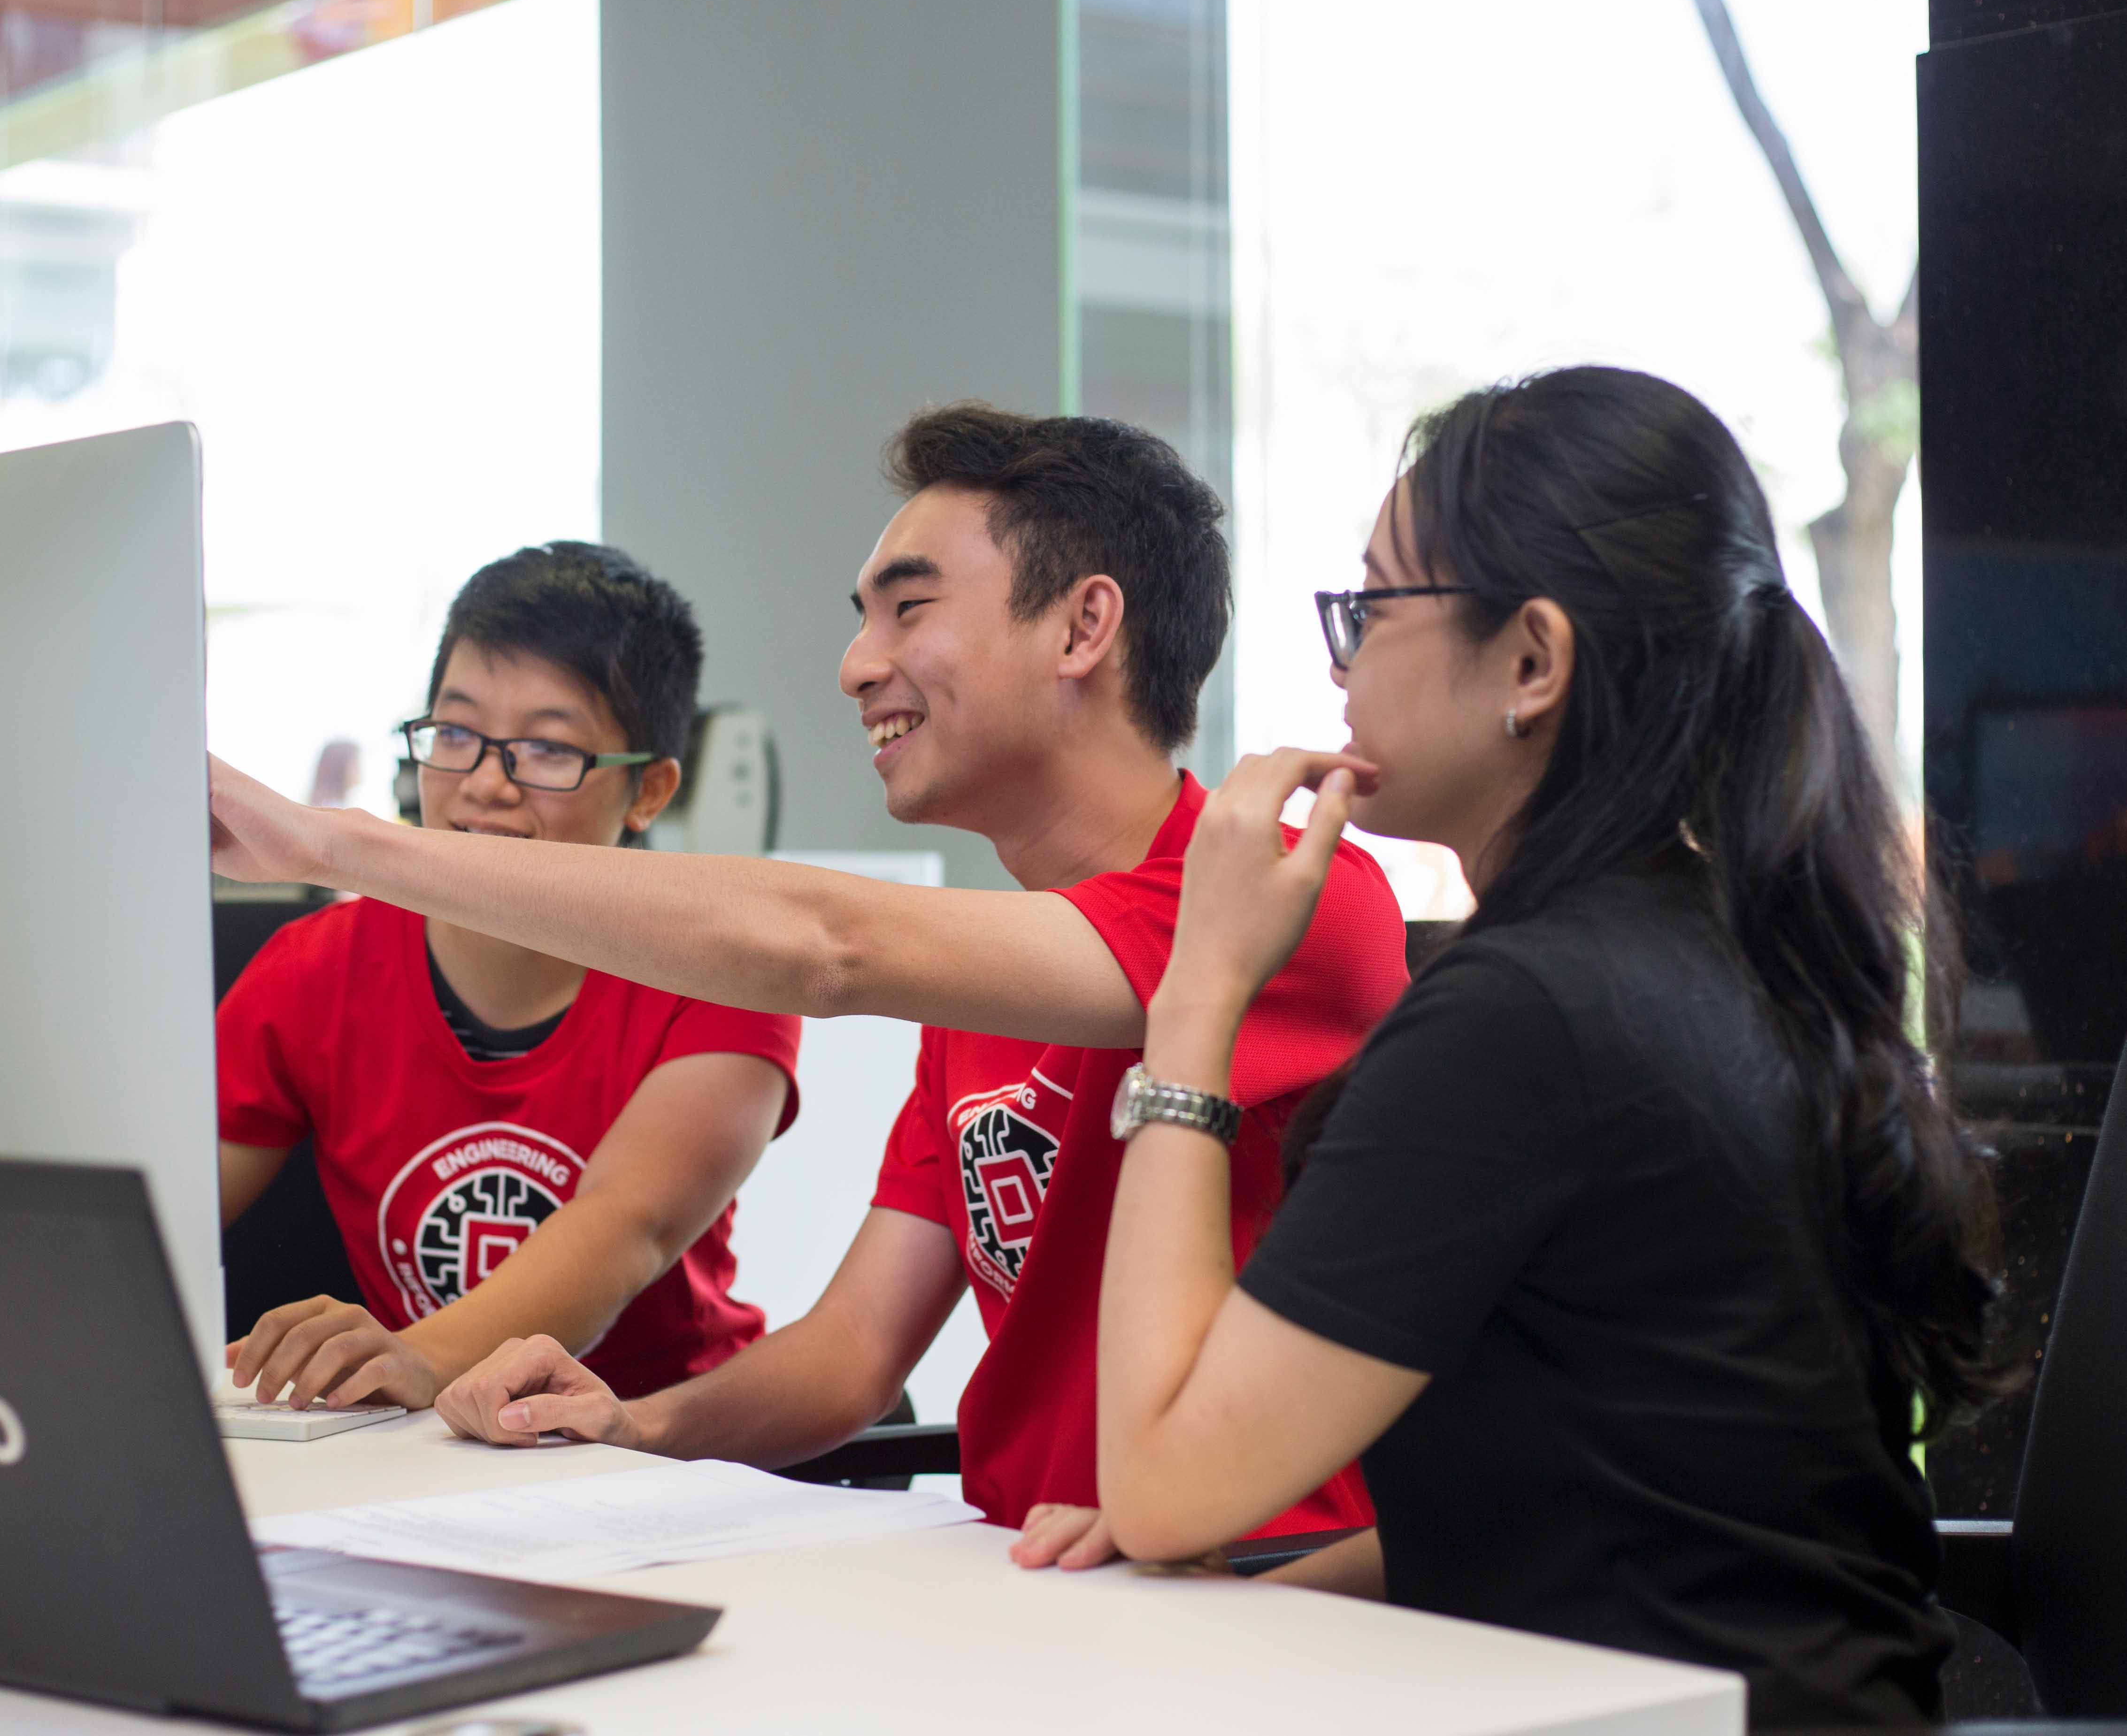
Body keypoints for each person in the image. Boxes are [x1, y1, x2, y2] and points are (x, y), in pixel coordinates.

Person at [207, 405, 1409, 1566]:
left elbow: (824, 945)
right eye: (861, 620)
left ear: (1083, 626)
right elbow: (852, 1354)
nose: (853, 666)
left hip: (1252, 1582)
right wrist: (634, 1425)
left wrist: (332, 846)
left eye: (909, 609)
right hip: (1021, 1580)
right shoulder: (988, 983)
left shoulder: (1283, 897)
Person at [1093, 367, 2003, 1728]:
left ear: (1530, 659)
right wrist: (1241, 1573)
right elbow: (1578, 1501)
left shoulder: (1528, 1012)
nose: (1339, 666)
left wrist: (1198, 993)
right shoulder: (1713, 948)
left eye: (1371, 610)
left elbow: (1159, 1484)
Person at [220, 543, 802, 1411]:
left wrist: (418, 1360)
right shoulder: (314, 969)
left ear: (648, 791)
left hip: (666, 1452)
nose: (484, 785)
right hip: (416, 1452)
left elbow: (624, 1227)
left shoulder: (722, 979)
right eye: (454, 734)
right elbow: (154, 1215)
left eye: (544, 748)